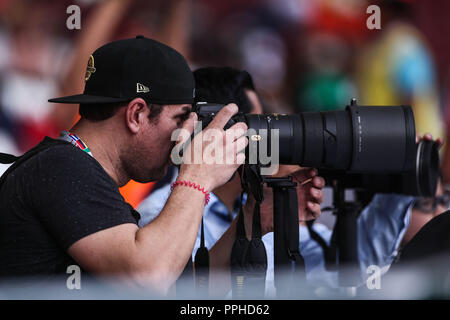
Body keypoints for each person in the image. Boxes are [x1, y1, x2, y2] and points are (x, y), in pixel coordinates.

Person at [0, 36, 263, 296]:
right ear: (137, 114)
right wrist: (198, 175)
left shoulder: (82, 174)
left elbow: (182, 292)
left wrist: (252, 218)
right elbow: (146, 280)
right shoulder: (60, 167)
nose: (185, 133)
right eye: (181, 118)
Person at [138, 66, 419, 296]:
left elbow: (351, 267)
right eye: (257, 123)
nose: (266, 136)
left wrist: (398, 187)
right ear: (216, 127)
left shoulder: (258, 203)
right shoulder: (162, 214)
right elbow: (183, 298)